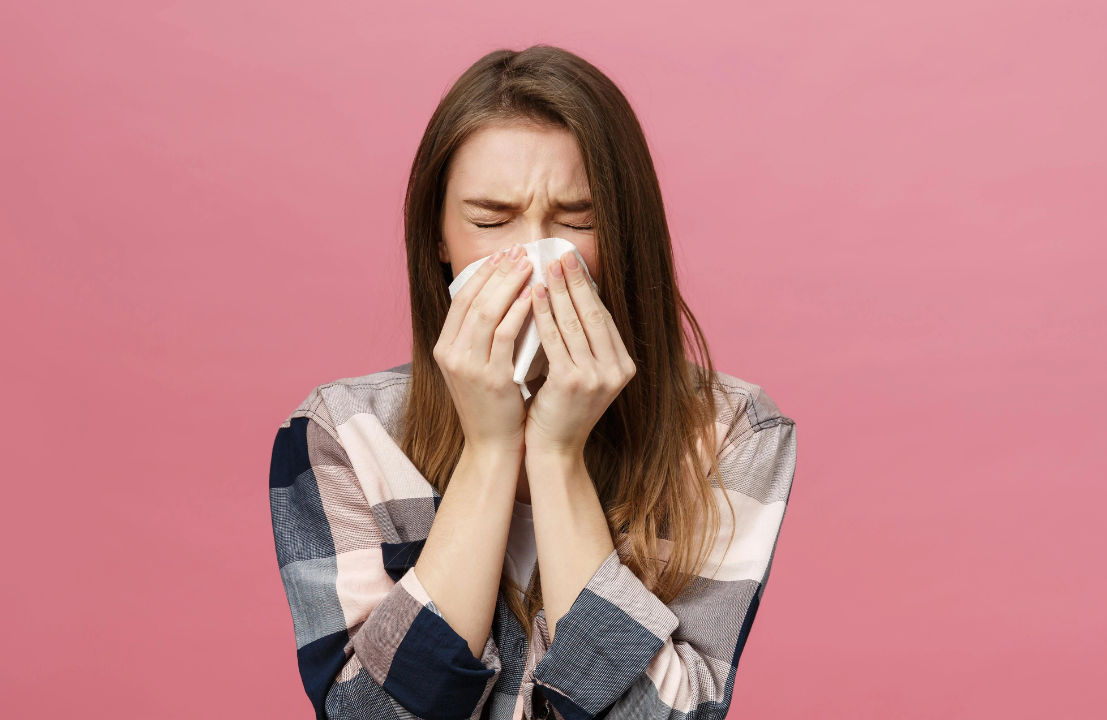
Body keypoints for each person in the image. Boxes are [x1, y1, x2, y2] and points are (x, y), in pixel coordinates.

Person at [268, 45, 798, 720]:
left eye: (577, 219)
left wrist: (556, 455)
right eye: (491, 221)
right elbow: (367, 714)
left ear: (625, 234)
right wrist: (490, 454)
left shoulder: (733, 435)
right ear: (437, 237)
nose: (537, 258)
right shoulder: (342, 435)